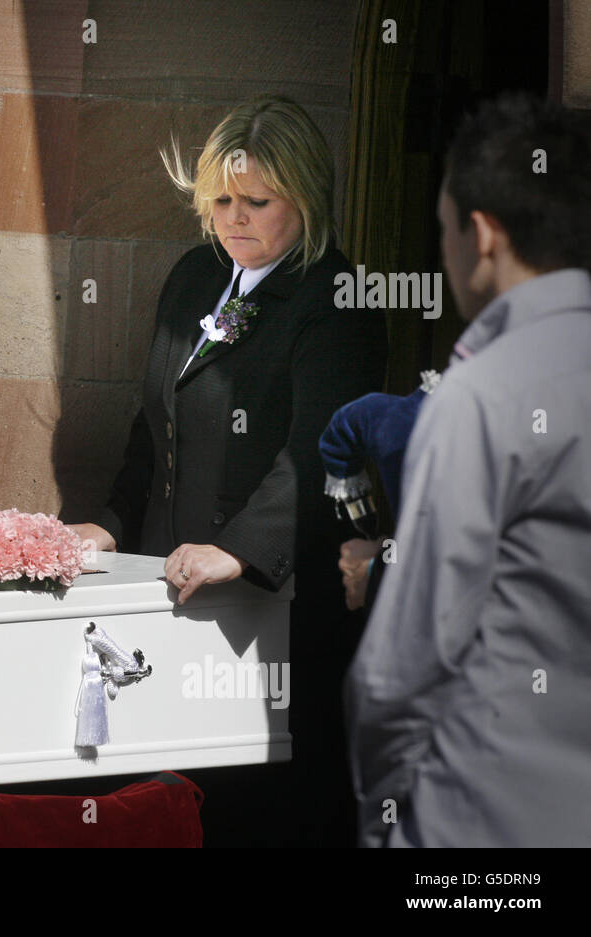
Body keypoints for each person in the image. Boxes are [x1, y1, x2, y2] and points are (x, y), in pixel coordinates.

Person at [70, 96, 387, 846]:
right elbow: (155, 424)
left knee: (255, 814)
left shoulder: (334, 300)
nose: (234, 218)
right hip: (173, 599)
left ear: (305, 199)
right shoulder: (194, 278)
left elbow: (322, 449)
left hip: (271, 615)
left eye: (257, 202)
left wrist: (239, 548)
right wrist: (114, 522)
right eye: (220, 200)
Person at [347, 94, 591, 847]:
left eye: (444, 228)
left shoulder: (482, 392)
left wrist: (386, 817)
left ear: (481, 235)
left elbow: (399, 670)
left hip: (483, 826)